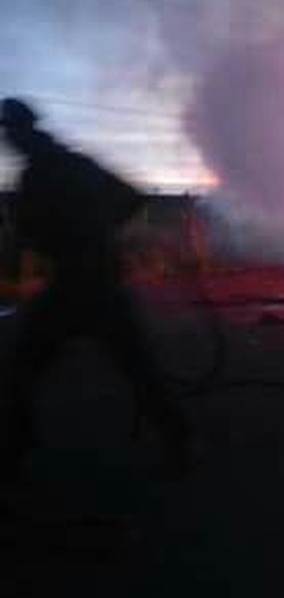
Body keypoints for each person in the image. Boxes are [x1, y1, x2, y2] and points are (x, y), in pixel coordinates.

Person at [0, 97, 195, 479]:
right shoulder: (77, 164)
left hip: (72, 286)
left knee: (21, 370)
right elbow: (131, 198)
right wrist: (103, 232)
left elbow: (28, 234)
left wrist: (63, 238)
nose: (6, 139)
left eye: (8, 131)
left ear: (21, 131)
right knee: (139, 367)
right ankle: (182, 442)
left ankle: (15, 450)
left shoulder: (37, 176)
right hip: (100, 282)